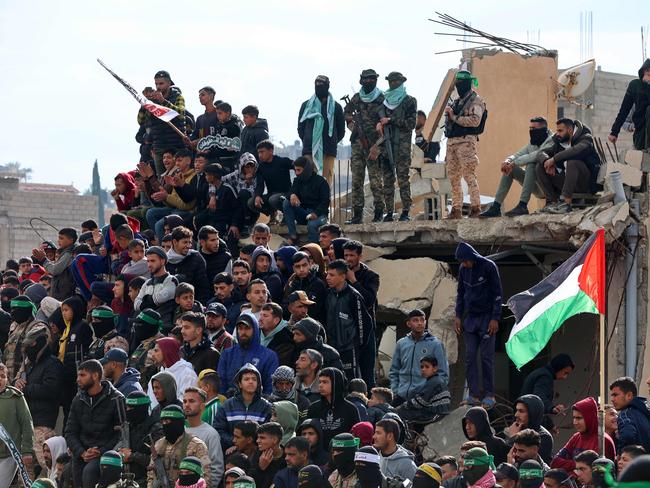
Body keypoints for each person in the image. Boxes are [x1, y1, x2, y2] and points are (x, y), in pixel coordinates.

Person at [454, 242, 502, 408]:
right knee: (470, 356)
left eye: (465, 261)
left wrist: (495, 318)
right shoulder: (463, 270)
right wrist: (458, 316)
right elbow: (460, 294)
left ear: (471, 257)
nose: (464, 264)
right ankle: (473, 394)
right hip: (471, 319)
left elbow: (497, 294)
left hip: (487, 317)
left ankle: (489, 394)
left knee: (486, 357)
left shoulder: (489, 267)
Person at [64, 359, 123, 488]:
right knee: (68, 471)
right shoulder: (78, 400)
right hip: (81, 454)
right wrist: (82, 452)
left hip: (106, 455)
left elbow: (121, 434)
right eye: (78, 375)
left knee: (89, 472)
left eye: (82, 375)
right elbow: (70, 432)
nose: (78, 379)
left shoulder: (116, 399)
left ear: (95, 376)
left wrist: (101, 451)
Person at [480, 116, 554, 217]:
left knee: (531, 164)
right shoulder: (533, 143)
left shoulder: (552, 141)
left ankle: (522, 205)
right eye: (530, 128)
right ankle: (496, 207)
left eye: (534, 129)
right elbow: (518, 154)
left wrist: (515, 162)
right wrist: (508, 161)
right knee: (511, 169)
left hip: (548, 187)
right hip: (536, 186)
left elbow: (535, 156)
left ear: (543, 129)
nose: (531, 131)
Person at [17, 324, 63, 473]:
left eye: (31, 345)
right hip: (27, 423)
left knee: (50, 468)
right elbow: (17, 384)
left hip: (42, 424)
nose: (27, 349)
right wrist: (16, 383)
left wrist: (26, 388)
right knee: (25, 471)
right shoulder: (29, 365)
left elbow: (50, 390)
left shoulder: (53, 364)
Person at [343, 69, 387, 224]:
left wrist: (377, 146)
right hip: (357, 144)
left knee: (376, 181)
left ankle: (379, 212)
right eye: (365, 79)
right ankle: (357, 215)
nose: (368, 82)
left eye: (371, 79)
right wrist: (353, 125)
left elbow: (387, 127)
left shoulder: (382, 98)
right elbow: (346, 115)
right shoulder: (356, 99)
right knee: (356, 180)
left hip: (374, 145)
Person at [324, 260, 375, 387]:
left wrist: (356, 345)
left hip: (349, 349)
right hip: (332, 347)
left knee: (351, 383)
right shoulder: (328, 294)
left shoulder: (354, 296)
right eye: (327, 274)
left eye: (332, 275)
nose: (327, 278)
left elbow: (366, 323)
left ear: (342, 277)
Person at [444, 70, 486, 219]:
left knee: (469, 175)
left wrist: (454, 117)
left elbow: (475, 121)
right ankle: (456, 209)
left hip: (466, 142)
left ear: (467, 83)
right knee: (454, 177)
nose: (458, 86)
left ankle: (476, 207)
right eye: (457, 83)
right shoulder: (457, 101)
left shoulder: (476, 101)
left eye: (461, 83)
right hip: (452, 143)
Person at [535, 118, 601, 214]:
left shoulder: (585, 138)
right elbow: (541, 153)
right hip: (566, 182)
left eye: (560, 131)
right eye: (557, 130)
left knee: (572, 162)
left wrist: (554, 159)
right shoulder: (560, 142)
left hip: (585, 183)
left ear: (570, 130)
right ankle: (552, 202)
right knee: (540, 167)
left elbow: (575, 150)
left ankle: (566, 204)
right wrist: (547, 161)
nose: (557, 134)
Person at [376, 71, 417, 222]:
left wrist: (391, 120)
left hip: (402, 147)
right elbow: (378, 121)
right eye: (391, 81)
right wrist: (379, 125)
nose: (393, 84)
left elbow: (410, 124)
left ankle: (406, 210)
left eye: (396, 81)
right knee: (387, 180)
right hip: (386, 147)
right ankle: (389, 212)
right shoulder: (384, 103)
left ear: (401, 82)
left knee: (403, 179)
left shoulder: (409, 101)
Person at [390, 308, 449, 404]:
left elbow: (443, 373)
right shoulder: (401, 344)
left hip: (424, 397)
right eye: (415, 320)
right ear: (408, 324)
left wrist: (431, 393)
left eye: (422, 320)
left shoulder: (435, 344)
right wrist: (395, 390)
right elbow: (394, 370)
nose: (420, 323)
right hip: (401, 396)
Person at [148, 405, 211, 488]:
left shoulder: (197, 445)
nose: (165, 424)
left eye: (168, 421)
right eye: (162, 421)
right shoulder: (158, 445)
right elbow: (151, 474)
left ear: (178, 422)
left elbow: (205, 478)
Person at [213, 363, 273, 450]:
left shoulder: (266, 407)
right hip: (231, 453)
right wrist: (234, 442)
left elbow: (268, 433)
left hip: (257, 454)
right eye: (246, 379)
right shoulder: (227, 405)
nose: (251, 381)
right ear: (240, 384)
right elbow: (218, 429)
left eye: (254, 379)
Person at [298, 75, 345, 184]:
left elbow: (341, 131)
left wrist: (329, 141)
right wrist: (311, 140)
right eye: (316, 84)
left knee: (325, 182)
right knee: (308, 181)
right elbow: (301, 128)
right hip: (310, 150)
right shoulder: (306, 106)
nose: (318, 87)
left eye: (321, 85)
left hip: (328, 150)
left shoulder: (336, 107)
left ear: (328, 86)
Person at [217, 314, 279, 395]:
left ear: (255, 329)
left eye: (247, 328)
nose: (243, 332)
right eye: (240, 328)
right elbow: (221, 383)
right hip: (230, 404)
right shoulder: (227, 354)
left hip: (258, 405)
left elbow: (270, 387)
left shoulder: (269, 356)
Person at [551, 397, 616, 471]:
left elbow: (593, 471)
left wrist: (570, 466)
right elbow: (555, 462)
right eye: (574, 418)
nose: (575, 422)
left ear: (590, 417)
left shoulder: (603, 440)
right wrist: (578, 465)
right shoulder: (576, 437)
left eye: (579, 418)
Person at [115, 391, 163, 487]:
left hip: (147, 480)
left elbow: (159, 462)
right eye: (127, 407)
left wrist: (132, 456)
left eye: (131, 408)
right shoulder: (127, 427)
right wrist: (118, 454)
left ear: (141, 409)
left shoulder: (156, 430)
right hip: (124, 478)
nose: (127, 410)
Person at [143, 70, 186, 174]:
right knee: (161, 177)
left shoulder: (178, 97)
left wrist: (163, 102)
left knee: (177, 176)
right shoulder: (153, 101)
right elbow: (141, 120)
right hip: (159, 145)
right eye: (156, 84)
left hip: (176, 144)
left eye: (161, 83)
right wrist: (145, 104)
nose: (158, 87)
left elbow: (180, 114)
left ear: (169, 83)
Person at [307, 367, 360, 447]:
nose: (320, 385)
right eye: (320, 382)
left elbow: (356, 438)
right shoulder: (314, 408)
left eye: (325, 382)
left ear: (336, 383)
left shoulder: (350, 409)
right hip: (319, 456)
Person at [0, 362, 34, 487]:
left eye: (2, 376)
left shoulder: (16, 397)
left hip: (8, 455)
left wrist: (27, 451)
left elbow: (27, 424)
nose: (0, 379)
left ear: (7, 379)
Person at [282, 157, 330, 246]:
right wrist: (292, 194)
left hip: (320, 215)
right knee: (286, 202)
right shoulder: (297, 180)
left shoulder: (321, 181)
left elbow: (325, 201)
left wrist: (316, 213)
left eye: (299, 170)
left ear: (306, 169)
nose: (296, 173)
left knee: (312, 225)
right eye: (295, 170)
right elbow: (290, 192)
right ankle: (293, 236)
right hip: (305, 214)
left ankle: (314, 249)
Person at [183, 387, 225, 488]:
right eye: (184, 401)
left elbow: (216, 468)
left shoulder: (211, 434)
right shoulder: (177, 430)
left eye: (192, 401)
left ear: (202, 406)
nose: (187, 405)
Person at [520, 354, 575, 428]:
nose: (565, 377)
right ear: (558, 367)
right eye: (565, 373)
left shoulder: (543, 373)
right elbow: (539, 399)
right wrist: (552, 408)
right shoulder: (545, 377)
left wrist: (550, 425)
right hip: (528, 422)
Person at [193, 163, 243, 245]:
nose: (206, 177)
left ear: (213, 176)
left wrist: (234, 224)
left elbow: (238, 208)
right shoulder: (210, 189)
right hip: (213, 218)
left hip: (225, 220)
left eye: (207, 175)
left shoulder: (227, 189)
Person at [342, 241, 380, 342]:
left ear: (360, 256)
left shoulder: (371, 276)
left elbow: (369, 300)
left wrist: (353, 281)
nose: (348, 259)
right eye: (346, 255)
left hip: (364, 328)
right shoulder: (340, 274)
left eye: (352, 255)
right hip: (344, 327)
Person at [609, 59, 650, 151]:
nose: (649, 72)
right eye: (647, 70)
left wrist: (648, 86)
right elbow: (624, 110)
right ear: (643, 70)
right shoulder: (634, 85)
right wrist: (614, 132)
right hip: (640, 133)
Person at [395, 355, 451, 422]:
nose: (423, 369)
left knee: (399, 413)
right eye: (422, 367)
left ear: (435, 369)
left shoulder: (433, 382)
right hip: (440, 413)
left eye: (427, 367)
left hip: (434, 414)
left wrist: (402, 406)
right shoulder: (438, 380)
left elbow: (420, 402)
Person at [134, 247, 178, 328]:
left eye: (153, 261)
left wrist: (145, 301)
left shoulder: (171, 280)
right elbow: (136, 304)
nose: (149, 264)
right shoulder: (147, 283)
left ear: (162, 261)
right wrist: (148, 302)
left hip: (164, 326)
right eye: (148, 261)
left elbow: (159, 299)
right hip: (147, 325)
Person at [503, 395, 554, 464]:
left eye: (521, 411)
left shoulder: (544, 437)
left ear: (532, 413)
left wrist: (513, 438)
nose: (516, 415)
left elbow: (528, 463)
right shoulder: (515, 429)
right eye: (516, 410)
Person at [166, 227, 210, 305]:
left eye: (190, 242)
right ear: (175, 242)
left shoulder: (196, 258)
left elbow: (203, 287)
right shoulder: (165, 260)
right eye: (185, 242)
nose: (188, 245)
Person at [148, 337, 198, 405]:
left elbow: (187, 403)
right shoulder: (156, 376)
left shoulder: (187, 374)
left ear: (167, 351)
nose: (152, 355)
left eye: (156, 351)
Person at [253, 140, 293, 223]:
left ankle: (288, 214)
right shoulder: (261, 167)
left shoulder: (282, 161)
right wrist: (257, 196)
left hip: (286, 194)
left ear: (271, 151)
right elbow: (260, 184)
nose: (260, 155)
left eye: (262, 152)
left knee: (273, 199)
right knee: (251, 202)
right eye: (259, 152)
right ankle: (273, 214)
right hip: (271, 194)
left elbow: (299, 167)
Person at [609, 376, 650, 451]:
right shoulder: (646, 411)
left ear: (629, 395)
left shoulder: (625, 414)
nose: (612, 399)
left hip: (636, 461)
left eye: (615, 395)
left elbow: (628, 436)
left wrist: (620, 453)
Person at [284, 253, 328, 324]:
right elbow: (286, 306)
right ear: (293, 268)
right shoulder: (291, 283)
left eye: (304, 265)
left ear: (310, 264)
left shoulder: (318, 284)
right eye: (298, 266)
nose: (301, 269)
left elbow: (314, 310)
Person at [4, 295, 38, 382]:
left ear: (25, 310)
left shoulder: (36, 328)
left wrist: (19, 378)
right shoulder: (14, 325)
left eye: (16, 309)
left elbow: (30, 358)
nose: (12, 312)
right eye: (11, 309)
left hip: (24, 379)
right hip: (8, 377)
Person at [128, 309, 165, 389]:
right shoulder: (144, 342)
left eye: (139, 324)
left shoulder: (160, 345)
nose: (135, 327)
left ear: (149, 327)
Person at [250, 422, 287, 488]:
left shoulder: (288, 456)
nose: (257, 441)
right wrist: (260, 468)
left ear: (275, 440)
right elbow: (250, 482)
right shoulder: (257, 454)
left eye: (262, 438)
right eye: (258, 437)